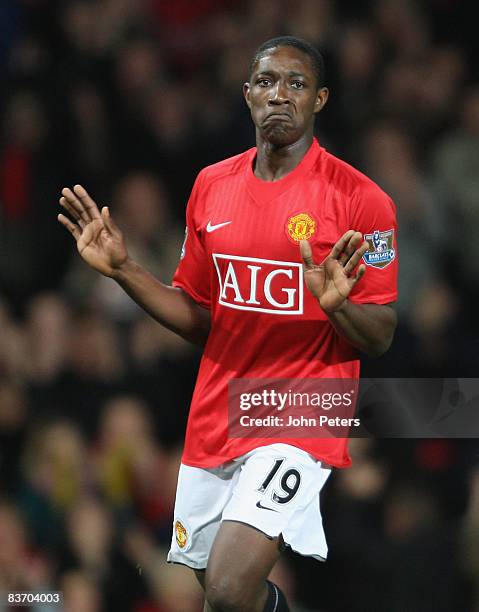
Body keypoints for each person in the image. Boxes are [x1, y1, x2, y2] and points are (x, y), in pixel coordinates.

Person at [58, 36, 398, 612]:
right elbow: (199, 317)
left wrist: (338, 305)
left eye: (296, 84)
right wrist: (123, 270)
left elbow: (383, 334)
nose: (280, 95)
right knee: (224, 598)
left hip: (304, 407)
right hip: (221, 406)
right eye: (267, 82)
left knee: (226, 587)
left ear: (320, 99)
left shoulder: (362, 201)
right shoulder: (211, 187)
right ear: (247, 96)